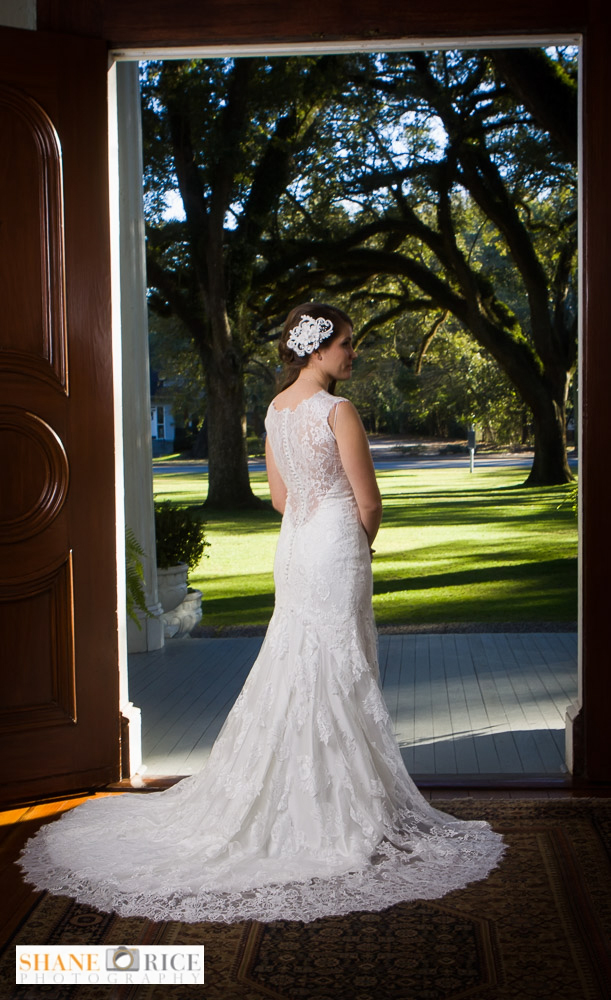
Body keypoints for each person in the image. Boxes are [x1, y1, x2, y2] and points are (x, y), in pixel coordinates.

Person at [18, 303, 505, 924]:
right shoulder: (338, 411)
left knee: (298, 662)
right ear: (317, 349)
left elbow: (279, 497)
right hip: (334, 546)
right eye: (346, 343)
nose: (352, 353)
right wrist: (357, 546)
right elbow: (370, 502)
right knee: (340, 666)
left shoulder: (275, 411)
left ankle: (306, 795)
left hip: (295, 546)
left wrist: (315, 518)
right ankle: (341, 806)